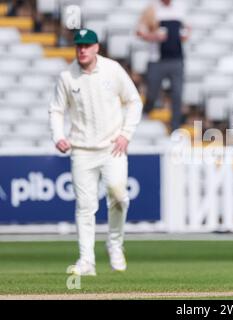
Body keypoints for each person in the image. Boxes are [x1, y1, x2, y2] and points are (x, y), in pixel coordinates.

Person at [49, 29, 143, 276]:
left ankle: (114, 244)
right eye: (79, 45)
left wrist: (126, 134)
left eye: (87, 45)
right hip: (81, 149)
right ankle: (86, 260)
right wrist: (58, 136)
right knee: (85, 205)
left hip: (112, 147)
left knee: (119, 195)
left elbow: (134, 101)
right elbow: (56, 110)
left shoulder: (112, 70)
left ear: (96, 48)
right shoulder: (67, 76)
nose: (82, 49)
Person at [136, 0, 191, 131]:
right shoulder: (152, 9)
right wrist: (154, 36)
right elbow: (139, 32)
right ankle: (144, 116)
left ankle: (175, 128)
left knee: (177, 94)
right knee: (152, 93)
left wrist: (184, 35)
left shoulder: (180, 7)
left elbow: (188, 29)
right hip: (157, 60)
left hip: (176, 59)